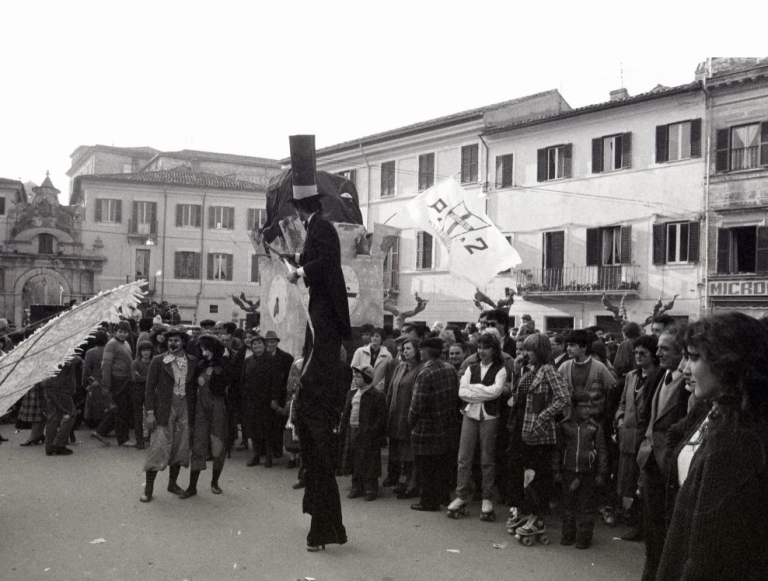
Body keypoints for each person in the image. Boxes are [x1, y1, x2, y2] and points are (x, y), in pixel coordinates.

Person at [656, 313, 768, 580]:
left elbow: (710, 554)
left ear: (727, 364)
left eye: (693, 358)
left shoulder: (737, 439)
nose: (684, 368)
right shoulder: (718, 414)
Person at [284, 134, 350, 551]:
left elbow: (327, 265)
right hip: (322, 332)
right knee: (315, 463)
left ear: (299, 208)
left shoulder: (321, 228)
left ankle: (323, 530)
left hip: (325, 328)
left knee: (319, 462)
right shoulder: (315, 228)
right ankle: (325, 529)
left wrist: (301, 272)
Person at [635, 327, 689, 581]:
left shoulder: (690, 384)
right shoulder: (657, 375)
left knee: (670, 530)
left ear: (682, 352)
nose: (658, 353)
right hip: (650, 462)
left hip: (672, 465)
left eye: (664, 348)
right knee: (653, 529)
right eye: (658, 347)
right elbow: (647, 417)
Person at [506, 333, 570, 541]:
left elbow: (563, 398)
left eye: (529, 350)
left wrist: (542, 417)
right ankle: (526, 512)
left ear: (539, 351)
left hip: (539, 432)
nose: (525, 354)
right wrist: (516, 373)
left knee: (537, 475)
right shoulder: (528, 370)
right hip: (520, 427)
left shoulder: (549, 370)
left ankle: (538, 517)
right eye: (524, 350)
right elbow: (516, 398)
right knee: (520, 473)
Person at [447, 332, 507, 521]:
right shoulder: (470, 367)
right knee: (463, 457)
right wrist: (482, 390)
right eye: (479, 347)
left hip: (489, 416)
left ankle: (486, 498)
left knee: (487, 458)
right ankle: (461, 496)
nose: (481, 351)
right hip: (469, 414)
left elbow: (496, 392)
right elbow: (462, 392)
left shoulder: (500, 369)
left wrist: (475, 388)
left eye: (486, 348)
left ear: (493, 349)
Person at [140, 326, 197, 503]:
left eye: (177, 340)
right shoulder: (158, 361)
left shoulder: (193, 361)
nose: (173, 343)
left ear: (183, 342)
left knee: (180, 448)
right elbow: (149, 390)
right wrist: (150, 413)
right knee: (158, 448)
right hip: (165, 408)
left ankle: (172, 484)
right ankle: (148, 489)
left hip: (185, 407)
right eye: (170, 340)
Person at [408, 337, 461, 512]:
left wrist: (410, 423)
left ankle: (428, 502)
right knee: (442, 465)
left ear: (428, 352)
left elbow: (417, 404)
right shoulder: (450, 369)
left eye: (422, 350)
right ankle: (444, 497)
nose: (420, 353)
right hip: (446, 426)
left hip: (426, 428)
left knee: (426, 467)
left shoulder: (425, 373)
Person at [615, 334, 658, 542]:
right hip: (628, 437)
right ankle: (634, 521)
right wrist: (620, 420)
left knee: (643, 483)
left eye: (644, 353)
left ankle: (642, 525)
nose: (639, 356)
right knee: (629, 482)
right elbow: (623, 402)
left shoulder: (658, 376)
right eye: (636, 353)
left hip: (645, 438)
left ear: (653, 355)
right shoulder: (631, 376)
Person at [556, 392, 608, 549]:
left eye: (590, 407)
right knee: (568, 505)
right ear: (574, 407)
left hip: (588, 472)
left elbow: (602, 451)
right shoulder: (564, 426)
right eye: (583, 406)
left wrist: (601, 472)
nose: (587, 410)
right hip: (568, 471)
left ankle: (584, 538)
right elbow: (558, 450)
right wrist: (556, 470)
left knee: (586, 506)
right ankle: (568, 535)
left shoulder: (595, 427)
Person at [182, 334, 231, 498]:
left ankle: (215, 482)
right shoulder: (199, 365)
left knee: (218, 445)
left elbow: (226, 387)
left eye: (207, 349)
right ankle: (192, 487)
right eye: (202, 349)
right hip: (200, 409)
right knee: (198, 446)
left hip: (218, 408)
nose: (204, 352)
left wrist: (223, 363)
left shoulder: (224, 366)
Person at [339, 365, 387, 501]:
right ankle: (356, 486)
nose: (355, 379)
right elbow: (346, 412)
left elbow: (381, 417)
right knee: (354, 458)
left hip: (368, 434)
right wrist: (343, 428)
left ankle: (370, 487)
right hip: (353, 431)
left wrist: (372, 431)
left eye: (358, 376)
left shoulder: (376, 395)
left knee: (369, 461)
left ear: (367, 378)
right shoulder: (352, 393)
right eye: (354, 376)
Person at [385, 337, 424, 499]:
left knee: (410, 450)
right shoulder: (400, 367)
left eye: (408, 348)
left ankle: (412, 482)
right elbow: (390, 389)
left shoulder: (421, 369)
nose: (404, 351)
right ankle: (405, 479)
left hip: (409, 414)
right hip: (396, 414)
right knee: (399, 449)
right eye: (403, 349)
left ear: (417, 351)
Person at [92, 320, 135, 447]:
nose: (122, 334)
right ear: (115, 331)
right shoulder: (111, 344)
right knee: (121, 410)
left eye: (125, 332)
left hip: (125, 380)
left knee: (119, 409)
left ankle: (100, 431)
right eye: (120, 331)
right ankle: (123, 439)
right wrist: (106, 384)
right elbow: (106, 364)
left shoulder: (126, 343)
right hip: (117, 380)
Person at [262, 330, 294, 466]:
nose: (270, 344)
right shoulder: (261, 357)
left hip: (280, 396)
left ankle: (278, 450)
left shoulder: (286, 358)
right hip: (264, 397)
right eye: (268, 342)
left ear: (277, 343)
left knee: (279, 425)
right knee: (266, 426)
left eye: (273, 342)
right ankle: (268, 454)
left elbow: (289, 378)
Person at [241, 335, 270, 466]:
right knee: (253, 429)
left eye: (259, 344)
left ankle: (268, 456)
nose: (257, 346)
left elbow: (276, 381)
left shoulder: (271, 360)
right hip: (251, 400)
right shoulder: (248, 360)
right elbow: (243, 380)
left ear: (264, 345)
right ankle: (256, 455)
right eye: (254, 344)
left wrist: (274, 399)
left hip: (266, 400)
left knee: (267, 429)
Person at [42, 358, 80, 456]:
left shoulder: (49, 349)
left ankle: (49, 446)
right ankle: (58, 443)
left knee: (53, 416)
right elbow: (70, 361)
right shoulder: (64, 349)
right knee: (71, 414)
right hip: (60, 386)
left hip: (48, 383)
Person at [350, 327, 392, 393]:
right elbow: (353, 368)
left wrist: (378, 388)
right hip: (359, 388)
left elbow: (387, 376)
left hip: (377, 391)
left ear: (382, 339)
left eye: (377, 336)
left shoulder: (387, 356)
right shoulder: (360, 351)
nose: (374, 338)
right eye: (372, 336)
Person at [130, 341, 154, 450]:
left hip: (150, 392)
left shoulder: (153, 362)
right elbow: (135, 378)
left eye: (148, 350)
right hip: (137, 391)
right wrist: (148, 378)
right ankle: (139, 441)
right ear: (140, 352)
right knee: (138, 416)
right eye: (143, 351)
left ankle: (150, 438)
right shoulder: (135, 363)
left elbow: (155, 378)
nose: (145, 353)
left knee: (151, 414)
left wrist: (142, 377)